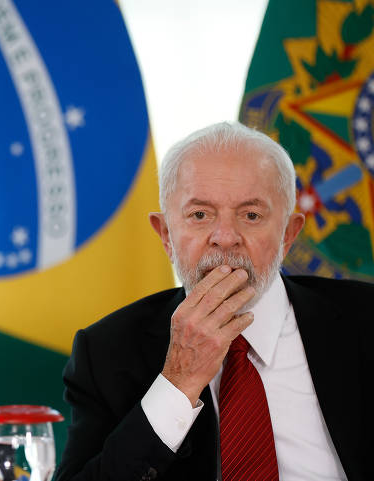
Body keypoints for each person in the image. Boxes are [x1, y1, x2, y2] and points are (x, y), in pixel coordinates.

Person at [53, 122, 372, 481]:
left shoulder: (365, 319)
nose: (224, 238)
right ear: (166, 235)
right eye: (200, 215)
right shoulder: (107, 352)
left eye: (251, 215)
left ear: (288, 234)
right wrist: (178, 382)